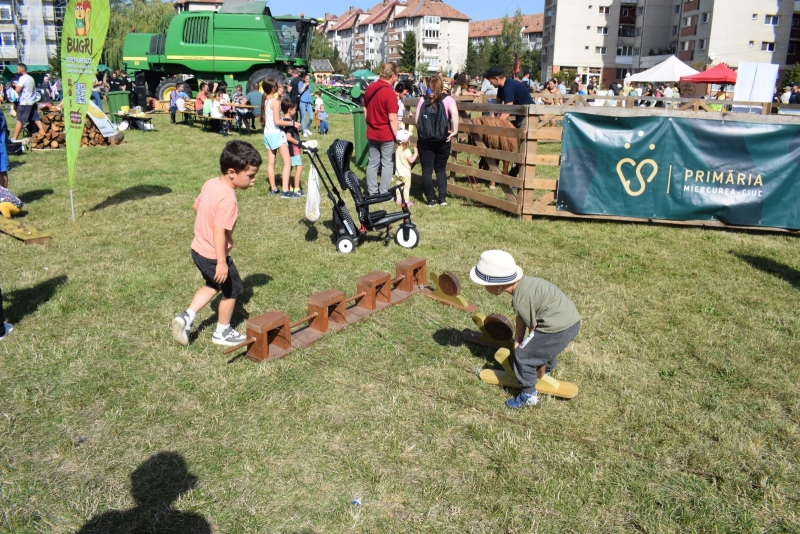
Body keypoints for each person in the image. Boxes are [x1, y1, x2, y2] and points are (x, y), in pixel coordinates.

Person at [171, 140, 262, 347]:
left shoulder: (211, 183)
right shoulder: (229, 199)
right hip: (214, 255)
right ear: (232, 172)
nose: (253, 180)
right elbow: (219, 231)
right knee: (233, 289)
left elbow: (197, 206)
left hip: (198, 249)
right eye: (250, 176)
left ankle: (186, 317)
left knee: (213, 284)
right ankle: (222, 332)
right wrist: (222, 261)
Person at [470, 250, 581, 409]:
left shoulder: (521, 299)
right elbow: (521, 315)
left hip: (558, 328)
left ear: (498, 286)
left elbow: (533, 329)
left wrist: (523, 349)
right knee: (540, 347)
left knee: (523, 357)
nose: (483, 288)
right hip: (570, 321)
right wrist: (518, 340)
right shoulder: (524, 287)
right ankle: (545, 370)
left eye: (485, 285)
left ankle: (529, 395)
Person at [415, 75, 458, 207]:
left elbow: (417, 120)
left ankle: (430, 200)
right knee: (440, 170)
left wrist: (424, 133)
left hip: (425, 141)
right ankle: (443, 199)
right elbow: (455, 115)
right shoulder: (448, 99)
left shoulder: (422, 99)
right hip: (443, 139)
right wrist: (455, 131)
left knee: (427, 170)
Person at [364, 62, 400, 196]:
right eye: (397, 75)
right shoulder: (389, 93)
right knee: (387, 163)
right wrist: (398, 135)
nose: (397, 78)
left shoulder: (370, 88)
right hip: (386, 134)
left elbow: (365, 107)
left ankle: (372, 192)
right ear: (392, 75)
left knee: (373, 163)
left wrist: (369, 122)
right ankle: (384, 193)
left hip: (372, 132)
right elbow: (393, 118)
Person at [260, 79, 300, 198]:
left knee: (271, 162)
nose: (279, 86)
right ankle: (285, 190)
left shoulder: (266, 101)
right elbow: (277, 121)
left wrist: (281, 95)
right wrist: (293, 123)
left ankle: (273, 188)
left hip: (267, 134)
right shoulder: (275, 103)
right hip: (277, 134)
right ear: (273, 89)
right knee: (287, 162)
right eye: (277, 85)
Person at [12, 64, 44, 142]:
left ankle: (14, 138)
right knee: (35, 117)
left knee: (20, 120)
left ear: (21, 70)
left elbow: (18, 90)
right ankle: (42, 130)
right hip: (32, 101)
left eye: (17, 69)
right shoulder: (31, 78)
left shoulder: (22, 78)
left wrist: (15, 86)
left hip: (25, 102)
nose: (17, 71)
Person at [280, 99, 305, 196]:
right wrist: (299, 143)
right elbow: (289, 137)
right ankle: (297, 188)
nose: (296, 110)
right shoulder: (289, 123)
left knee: (289, 168)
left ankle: (289, 187)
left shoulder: (284, 121)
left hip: (288, 148)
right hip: (293, 148)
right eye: (295, 109)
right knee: (299, 167)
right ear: (290, 110)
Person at [394, 129, 417, 206]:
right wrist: (416, 153)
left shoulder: (397, 149)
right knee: (406, 187)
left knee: (398, 187)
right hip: (406, 174)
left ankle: (398, 199)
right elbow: (411, 160)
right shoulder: (407, 151)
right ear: (406, 140)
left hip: (398, 172)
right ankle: (406, 200)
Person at [298, 73, 313, 137]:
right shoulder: (300, 83)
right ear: (304, 78)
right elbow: (300, 92)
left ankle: (307, 128)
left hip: (309, 102)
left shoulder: (310, 84)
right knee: (303, 117)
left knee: (311, 118)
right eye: (307, 79)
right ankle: (304, 131)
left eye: (309, 79)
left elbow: (308, 93)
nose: (308, 80)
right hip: (302, 102)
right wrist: (304, 85)